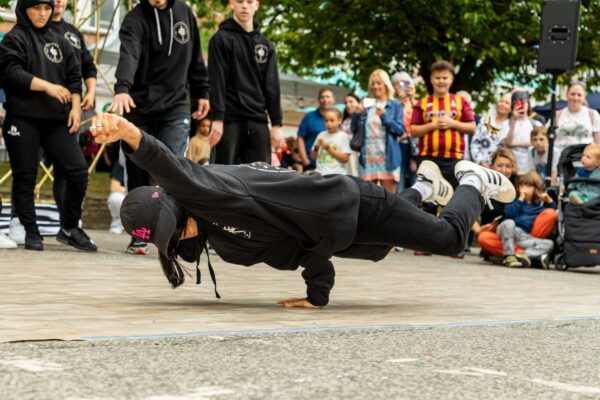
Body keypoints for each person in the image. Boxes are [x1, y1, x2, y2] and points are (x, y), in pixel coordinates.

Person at [90, 112, 516, 308]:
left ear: (176, 208)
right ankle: (424, 186)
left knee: (449, 238)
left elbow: (171, 166)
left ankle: (473, 179)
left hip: (348, 203)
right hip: (336, 230)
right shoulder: (222, 240)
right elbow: (295, 248)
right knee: (385, 246)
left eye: (171, 229)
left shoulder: (209, 191)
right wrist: (317, 292)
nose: (177, 239)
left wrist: (129, 134)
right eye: (168, 241)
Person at [108, 0, 210, 254]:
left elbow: (195, 56)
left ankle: (180, 231)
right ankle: (140, 233)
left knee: (172, 166)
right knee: (139, 172)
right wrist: (122, 88)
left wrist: (202, 92)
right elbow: (129, 53)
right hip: (139, 108)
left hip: (175, 106)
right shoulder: (135, 18)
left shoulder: (185, 13)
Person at [0, 0, 96, 251]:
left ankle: (69, 226)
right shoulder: (15, 38)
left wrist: (75, 107)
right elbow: (12, 73)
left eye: (47, 8)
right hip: (23, 119)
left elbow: (75, 77)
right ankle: (31, 231)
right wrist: (48, 86)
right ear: (25, 9)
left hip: (57, 122)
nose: (43, 14)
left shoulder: (61, 40)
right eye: (37, 8)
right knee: (26, 175)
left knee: (78, 171)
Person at [207, 0, 283, 165]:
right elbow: (216, 81)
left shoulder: (266, 45)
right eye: (240, 1)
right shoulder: (220, 39)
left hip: (258, 119)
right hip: (229, 119)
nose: (244, 5)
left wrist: (276, 124)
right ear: (232, 4)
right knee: (221, 174)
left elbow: (272, 86)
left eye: (249, 2)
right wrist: (217, 118)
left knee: (261, 177)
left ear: (257, 5)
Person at [410, 60, 476, 188]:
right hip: (427, 157)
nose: (441, 81)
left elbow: (472, 127)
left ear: (451, 79)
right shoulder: (422, 103)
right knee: (428, 198)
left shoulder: (460, 102)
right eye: (437, 77)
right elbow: (413, 130)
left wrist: (452, 123)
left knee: (452, 196)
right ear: (431, 79)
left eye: (445, 78)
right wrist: (433, 125)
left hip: (454, 158)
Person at [352, 69, 406, 193]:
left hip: (388, 159)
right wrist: (356, 114)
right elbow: (354, 130)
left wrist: (384, 116)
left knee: (389, 200)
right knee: (369, 198)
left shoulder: (395, 105)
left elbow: (400, 130)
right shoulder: (367, 105)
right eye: (373, 83)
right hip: (367, 158)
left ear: (386, 85)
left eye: (379, 83)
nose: (375, 86)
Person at [496, 171, 556, 269]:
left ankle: (524, 255)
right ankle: (509, 256)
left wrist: (549, 200)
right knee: (509, 222)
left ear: (534, 188)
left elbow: (552, 213)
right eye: (522, 186)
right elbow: (509, 214)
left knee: (549, 244)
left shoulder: (537, 206)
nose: (525, 189)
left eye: (528, 186)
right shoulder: (514, 201)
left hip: (523, 236)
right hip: (507, 230)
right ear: (518, 188)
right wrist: (520, 199)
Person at [392, 71, 418, 191]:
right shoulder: (391, 103)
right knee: (399, 178)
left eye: (403, 83)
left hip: (414, 145)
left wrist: (412, 99)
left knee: (415, 177)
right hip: (398, 144)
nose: (400, 86)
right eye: (396, 84)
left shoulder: (414, 103)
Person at [297, 88, 335, 170]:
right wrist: (304, 159)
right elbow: (300, 137)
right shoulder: (309, 117)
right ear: (318, 99)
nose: (325, 99)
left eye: (328, 97)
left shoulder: (338, 118)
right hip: (311, 163)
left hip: (331, 165)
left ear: (333, 100)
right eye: (322, 97)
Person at [555, 81, 600, 150]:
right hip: (560, 158)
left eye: (579, 95)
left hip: (584, 158)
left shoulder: (593, 114)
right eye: (572, 94)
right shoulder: (557, 115)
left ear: (584, 97)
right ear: (566, 95)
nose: (575, 98)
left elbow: (598, 144)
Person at [470, 93, 511, 167]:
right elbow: (475, 143)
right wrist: (481, 161)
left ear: (511, 108)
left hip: (502, 169)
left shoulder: (511, 126)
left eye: (507, 103)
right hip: (481, 167)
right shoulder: (485, 120)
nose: (503, 104)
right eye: (501, 101)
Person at [505, 90, 542, 172]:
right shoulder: (507, 123)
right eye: (517, 104)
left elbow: (539, 142)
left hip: (531, 165)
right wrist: (514, 120)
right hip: (513, 166)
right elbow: (506, 143)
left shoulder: (536, 124)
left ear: (528, 105)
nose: (522, 106)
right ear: (513, 106)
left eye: (524, 103)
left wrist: (514, 144)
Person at [311, 108, 351, 175]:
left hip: (337, 174)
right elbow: (313, 156)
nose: (328, 123)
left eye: (332, 120)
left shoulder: (344, 137)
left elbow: (345, 159)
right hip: (320, 173)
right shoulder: (321, 135)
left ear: (339, 121)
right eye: (326, 121)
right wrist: (316, 147)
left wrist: (328, 148)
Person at [341, 93, 361, 176]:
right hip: (344, 152)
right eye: (346, 103)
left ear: (358, 102)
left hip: (356, 151)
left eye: (351, 102)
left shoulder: (362, 117)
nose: (348, 105)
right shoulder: (344, 120)